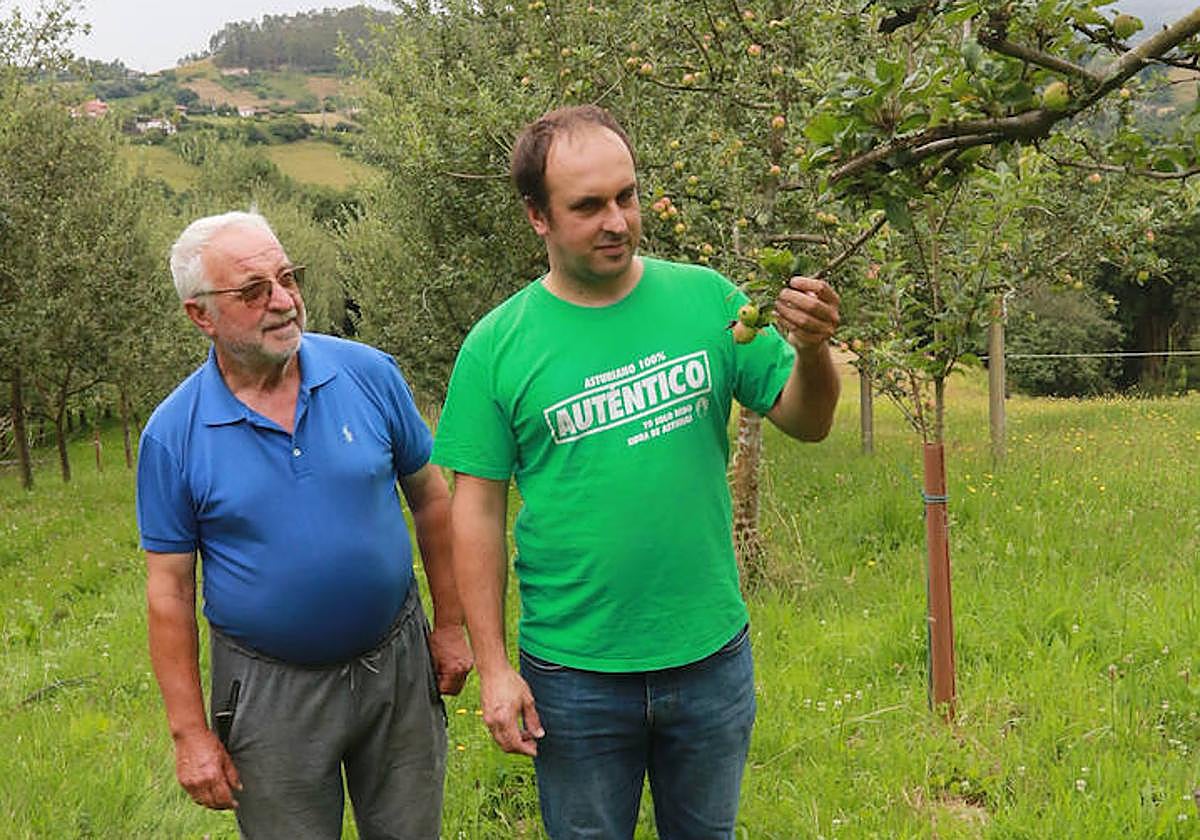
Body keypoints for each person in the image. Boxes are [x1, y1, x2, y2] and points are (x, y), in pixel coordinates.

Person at [432, 105, 841, 839]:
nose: (617, 221)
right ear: (537, 217)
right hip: (573, 676)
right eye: (588, 206)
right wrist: (494, 668)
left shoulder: (709, 300)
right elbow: (477, 512)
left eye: (627, 196)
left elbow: (806, 421)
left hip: (710, 658)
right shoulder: (497, 346)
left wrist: (812, 351)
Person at [136, 211, 472, 840]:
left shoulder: (369, 375)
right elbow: (169, 592)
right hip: (268, 689)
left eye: (287, 278)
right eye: (253, 291)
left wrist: (450, 625)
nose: (285, 301)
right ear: (201, 315)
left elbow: (430, 498)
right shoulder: (172, 435)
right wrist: (189, 733)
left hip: (397, 663)